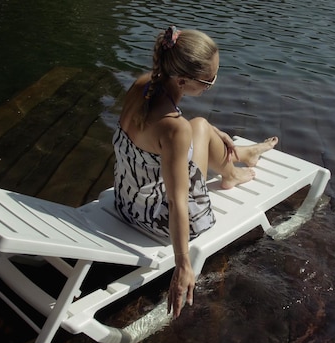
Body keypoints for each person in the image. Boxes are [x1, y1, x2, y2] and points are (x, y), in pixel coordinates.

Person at [112, 25, 279, 318]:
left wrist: (214, 131)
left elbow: (161, 128)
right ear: (182, 80)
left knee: (200, 124)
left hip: (126, 201)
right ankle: (232, 172)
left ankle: (241, 155)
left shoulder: (142, 85)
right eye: (208, 82)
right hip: (156, 220)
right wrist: (183, 265)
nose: (211, 85)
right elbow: (178, 203)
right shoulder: (175, 129)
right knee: (198, 125)